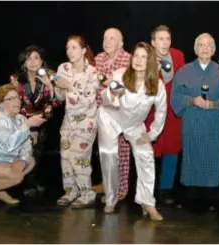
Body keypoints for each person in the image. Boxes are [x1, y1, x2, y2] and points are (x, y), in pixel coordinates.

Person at [98, 42, 166, 220]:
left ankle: (147, 202)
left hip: (134, 124)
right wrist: (112, 94)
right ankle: (111, 200)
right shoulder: (121, 75)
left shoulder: (157, 85)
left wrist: (151, 134)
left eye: (144, 57)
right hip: (111, 118)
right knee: (109, 155)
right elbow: (106, 99)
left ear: (150, 61)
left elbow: (161, 113)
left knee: (146, 155)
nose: (138, 60)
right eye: (136, 55)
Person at [170, 33, 219, 208]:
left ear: (214, 49)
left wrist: (212, 104)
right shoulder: (184, 71)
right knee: (191, 156)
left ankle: (211, 199)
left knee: (212, 157)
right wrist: (192, 100)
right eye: (201, 45)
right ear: (195, 49)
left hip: (213, 121)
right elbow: (175, 95)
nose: (205, 48)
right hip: (192, 121)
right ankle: (190, 199)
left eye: (209, 45)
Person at [53, 35, 99, 208]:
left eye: (74, 48)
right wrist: (56, 86)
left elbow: (88, 100)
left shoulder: (92, 72)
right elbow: (59, 98)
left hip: (86, 122)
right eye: (67, 48)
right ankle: (71, 190)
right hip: (68, 122)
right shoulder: (63, 68)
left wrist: (70, 86)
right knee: (65, 157)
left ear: (83, 50)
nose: (70, 52)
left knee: (79, 157)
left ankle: (87, 193)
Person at [10, 45, 60, 196]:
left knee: (36, 153)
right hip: (21, 121)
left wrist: (50, 86)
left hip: (42, 120)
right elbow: (14, 104)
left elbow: (56, 103)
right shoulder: (15, 79)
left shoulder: (51, 75)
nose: (32, 61)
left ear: (42, 60)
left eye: (36, 58)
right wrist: (28, 127)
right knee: (21, 153)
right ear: (23, 62)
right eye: (28, 58)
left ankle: (30, 183)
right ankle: (17, 182)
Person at [145, 25, 185, 204]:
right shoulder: (145, 56)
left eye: (167, 39)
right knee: (150, 149)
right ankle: (148, 188)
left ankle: (166, 189)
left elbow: (182, 81)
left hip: (172, 108)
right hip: (151, 109)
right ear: (153, 42)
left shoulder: (177, 55)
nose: (165, 42)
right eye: (160, 39)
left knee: (171, 148)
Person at [93, 28, 132, 200]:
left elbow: (124, 86)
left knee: (121, 151)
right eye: (105, 38)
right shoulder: (98, 58)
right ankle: (107, 182)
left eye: (112, 38)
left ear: (121, 43)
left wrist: (108, 81)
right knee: (105, 151)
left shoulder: (128, 59)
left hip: (120, 111)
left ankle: (122, 188)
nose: (107, 41)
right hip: (102, 111)